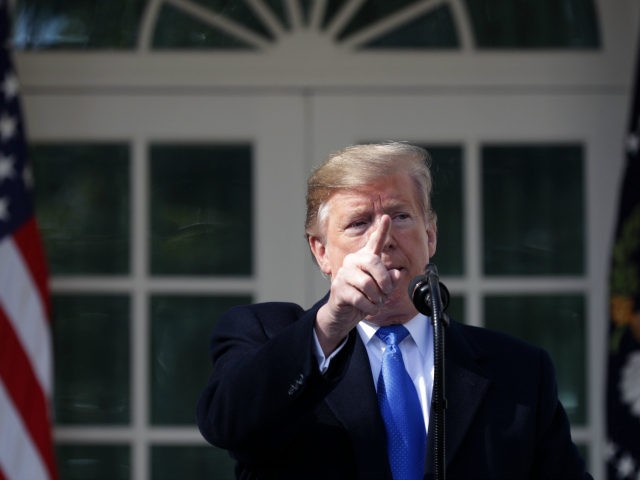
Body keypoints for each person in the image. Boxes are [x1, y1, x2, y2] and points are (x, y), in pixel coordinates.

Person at [196, 142, 592, 479]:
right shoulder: (265, 334)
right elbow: (228, 426)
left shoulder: (519, 370)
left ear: (430, 235)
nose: (382, 240)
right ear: (321, 251)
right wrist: (331, 323)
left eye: (401, 217)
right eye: (359, 223)